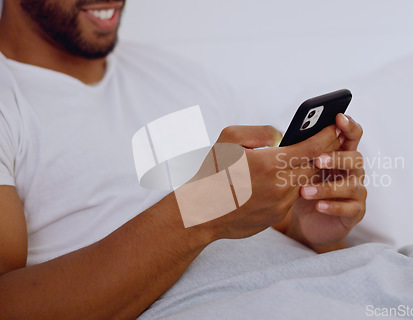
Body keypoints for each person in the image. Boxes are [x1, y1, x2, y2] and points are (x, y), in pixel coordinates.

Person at [0, 0, 366, 319]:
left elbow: (280, 230)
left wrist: (311, 230)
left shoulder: (180, 75)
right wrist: (203, 207)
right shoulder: (10, 100)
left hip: (362, 281)